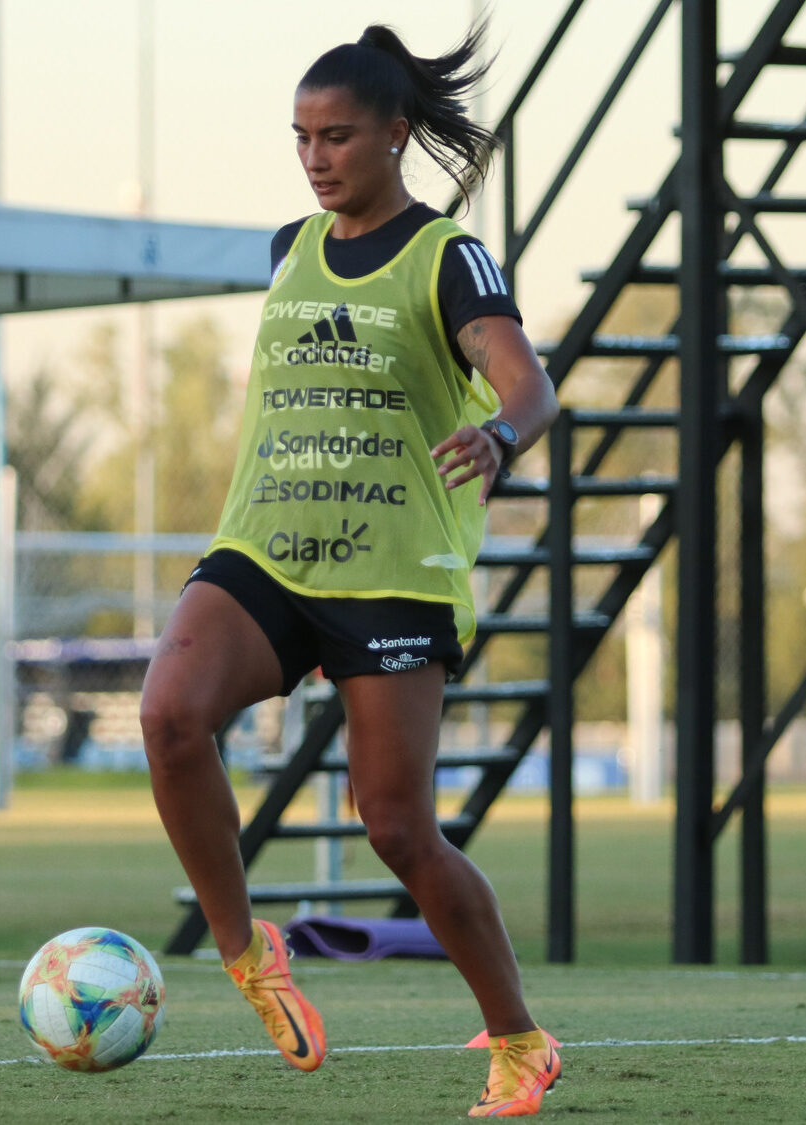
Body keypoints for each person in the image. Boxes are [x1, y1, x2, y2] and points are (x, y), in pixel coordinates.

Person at [138, 20, 562, 1118]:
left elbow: (528, 383)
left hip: (390, 569)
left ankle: (517, 1038)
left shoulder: (446, 256)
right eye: (300, 138)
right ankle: (247, 953)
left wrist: (504, 436)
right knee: (168, 717)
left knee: (394, 829)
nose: (315, 157)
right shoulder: (288, 248)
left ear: (394, 135)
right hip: (266, 550)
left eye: (335, 136)